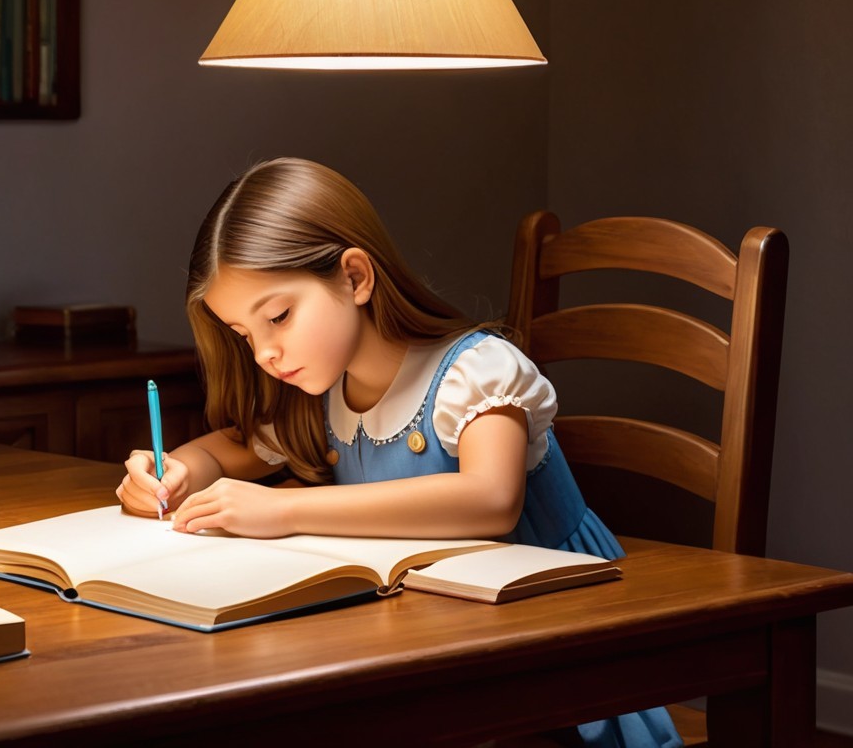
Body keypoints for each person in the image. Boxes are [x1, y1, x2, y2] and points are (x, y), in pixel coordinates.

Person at [117, 157, 682, 748]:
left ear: (355, 278)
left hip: (555, 647)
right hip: (432, 642)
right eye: (244, 334)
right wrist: (174, 468)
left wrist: (282, 511)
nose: (265, 353)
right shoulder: (322, 392)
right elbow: (227, 453)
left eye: (279, 317)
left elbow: (490, 501)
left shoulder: (477, 371)